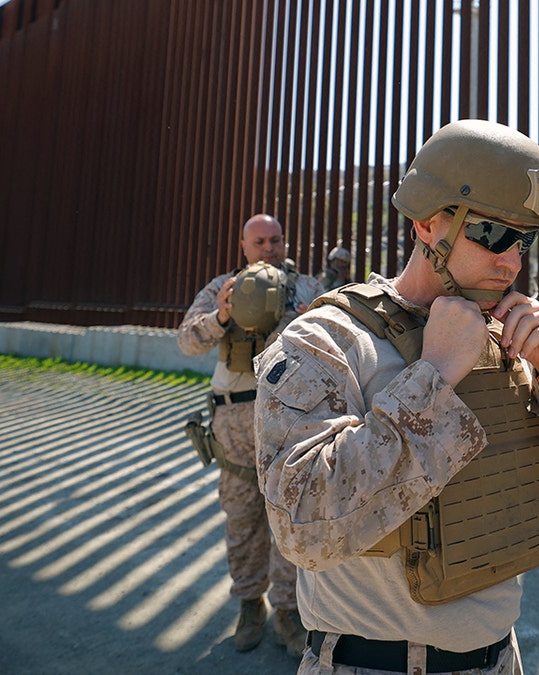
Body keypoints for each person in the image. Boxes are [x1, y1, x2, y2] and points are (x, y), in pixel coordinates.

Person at [252, 119, 539, 674]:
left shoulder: (508, 333)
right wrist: (436, 373)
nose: (512, 261)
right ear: (427, 223)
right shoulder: (330, 341)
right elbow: (300, 526)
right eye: (492, 234)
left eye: (526, 238)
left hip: (499, 660)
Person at [177, 213, 325, 656]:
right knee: (242, 519)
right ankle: (249, 604)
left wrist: (311, 321)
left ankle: (288, 611)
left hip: (291, 421)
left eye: (275, 240)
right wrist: (221, 315)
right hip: (235, 423)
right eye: (259, 241)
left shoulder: (309, 288)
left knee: (289, 520)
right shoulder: (222, 286)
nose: (269, 248)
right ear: (243, 245)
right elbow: (187, 340)